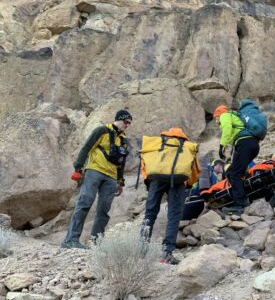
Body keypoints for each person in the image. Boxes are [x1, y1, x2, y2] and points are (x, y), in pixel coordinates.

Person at [61, 110, 132, 249]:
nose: (127, 125)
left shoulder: (123, 140)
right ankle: (71, 240)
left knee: (104, 211)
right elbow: (87, 147)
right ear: (118, 119)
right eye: (126, 122)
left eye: (129, 123)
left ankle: (96, 244)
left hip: (111, 177)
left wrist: (120, 181)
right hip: (95, 170)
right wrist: (78, 168)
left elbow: (121, 162)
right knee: (84, 203)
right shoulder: (102, 130)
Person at [140, 127, 200, 265]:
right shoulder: (186, 146)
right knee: (174, 215)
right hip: (178, 182)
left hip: (156, 179)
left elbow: (145, 161)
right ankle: (167, 252)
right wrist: (189, 184)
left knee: (149, 213)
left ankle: (141, 250)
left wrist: (147, 180)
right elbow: (196, 170)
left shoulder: (157, 143)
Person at [214, 104, 260, 215]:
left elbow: (227, 129)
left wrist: (221, 146)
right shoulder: (236, 116)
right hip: (253, 144)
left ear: (218, 114)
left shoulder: (224, 115)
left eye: (216, 118)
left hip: (244, 143)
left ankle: (240, 204)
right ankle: (248, 196)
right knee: (236, 172)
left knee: (233, 174)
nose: (217, 121)